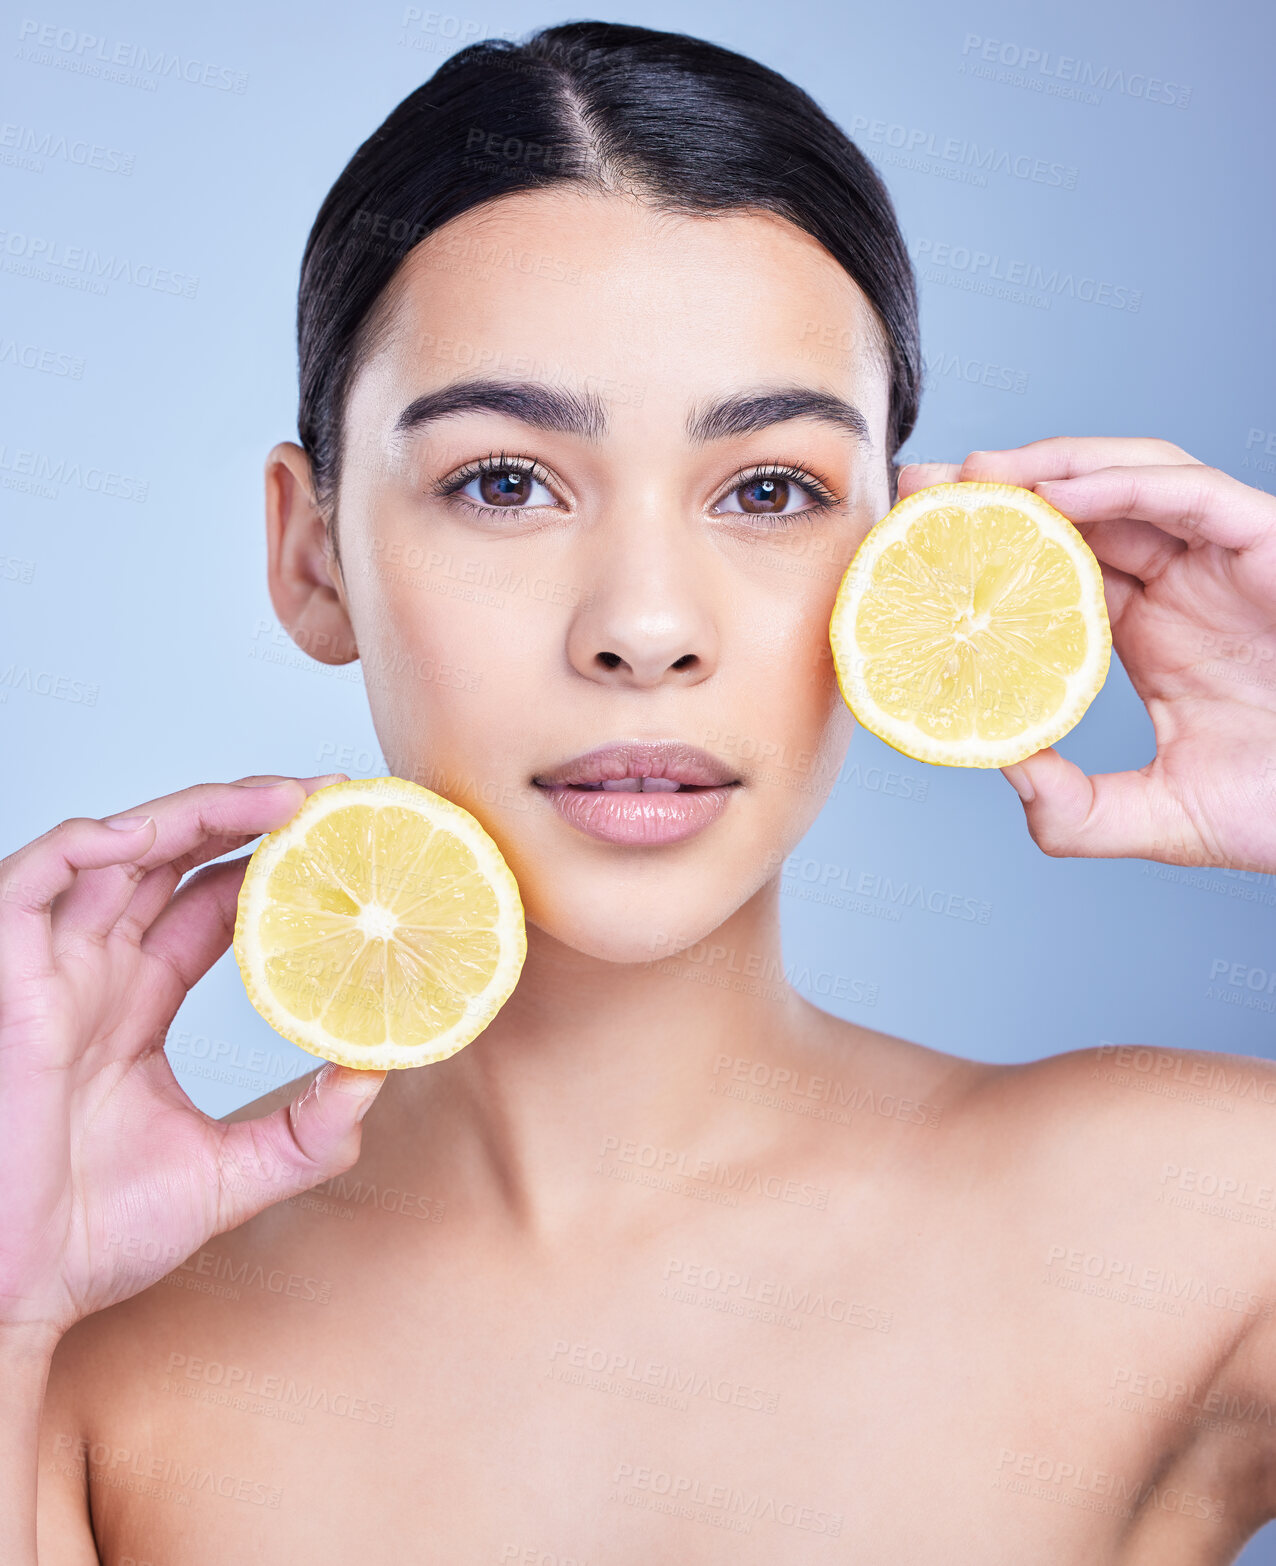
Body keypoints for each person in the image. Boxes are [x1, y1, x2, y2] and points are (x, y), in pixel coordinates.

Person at [4, 19, 1276, 1564]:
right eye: (504, 481)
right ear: (308, 551)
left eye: (769, 490)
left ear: (902, 548)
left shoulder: (1193, 1224)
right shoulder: (86, 1344)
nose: (646, 627)